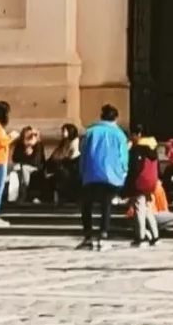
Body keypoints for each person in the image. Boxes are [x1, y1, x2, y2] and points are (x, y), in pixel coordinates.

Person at [77, 103, 131, 251]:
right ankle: (103, 235)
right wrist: (123, 172)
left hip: (91, 173)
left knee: (87, 205)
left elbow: (83, 154)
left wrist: (82, 171)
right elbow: (123, 157)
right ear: (115, 118)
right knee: (106, 205)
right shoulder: (119, 134)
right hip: (111, 175)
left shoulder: (90, 132)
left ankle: (88, 236)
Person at [45, 123, 82, 205]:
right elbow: (57, 153)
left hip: (70, 166)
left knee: (62, 174)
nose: (62, 133)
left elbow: (71, 156)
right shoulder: (64, 142)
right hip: (60, 163)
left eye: (64, 131)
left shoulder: (75, 142)